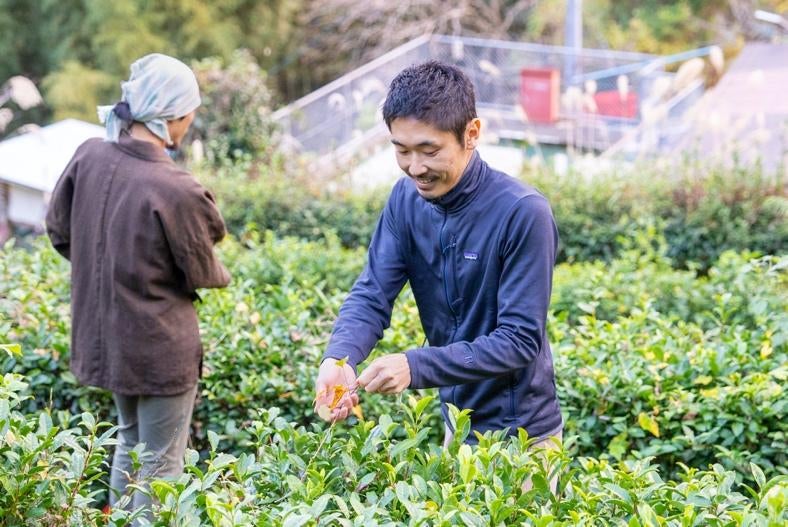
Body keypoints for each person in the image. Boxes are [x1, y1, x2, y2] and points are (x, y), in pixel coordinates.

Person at [314, 60, 563, 488]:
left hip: (525, 436)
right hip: (456, 425)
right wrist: (340, 358)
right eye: (401, 150)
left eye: (429, 151)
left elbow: (520, 340)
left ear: (471, 134)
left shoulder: (523, 212)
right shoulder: (405, 201)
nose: (414, 167)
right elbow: (373, 292)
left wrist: (415, 365)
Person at [45, 53, 231, 517]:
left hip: (107, 338)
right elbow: (205, 272)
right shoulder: (176, 186)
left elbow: (60, 231)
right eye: (190, 114)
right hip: (160, 349)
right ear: (173, 117)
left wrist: (106, 264)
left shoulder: (88, 155)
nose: (190, 124)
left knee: (129, 444)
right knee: (162, 468)